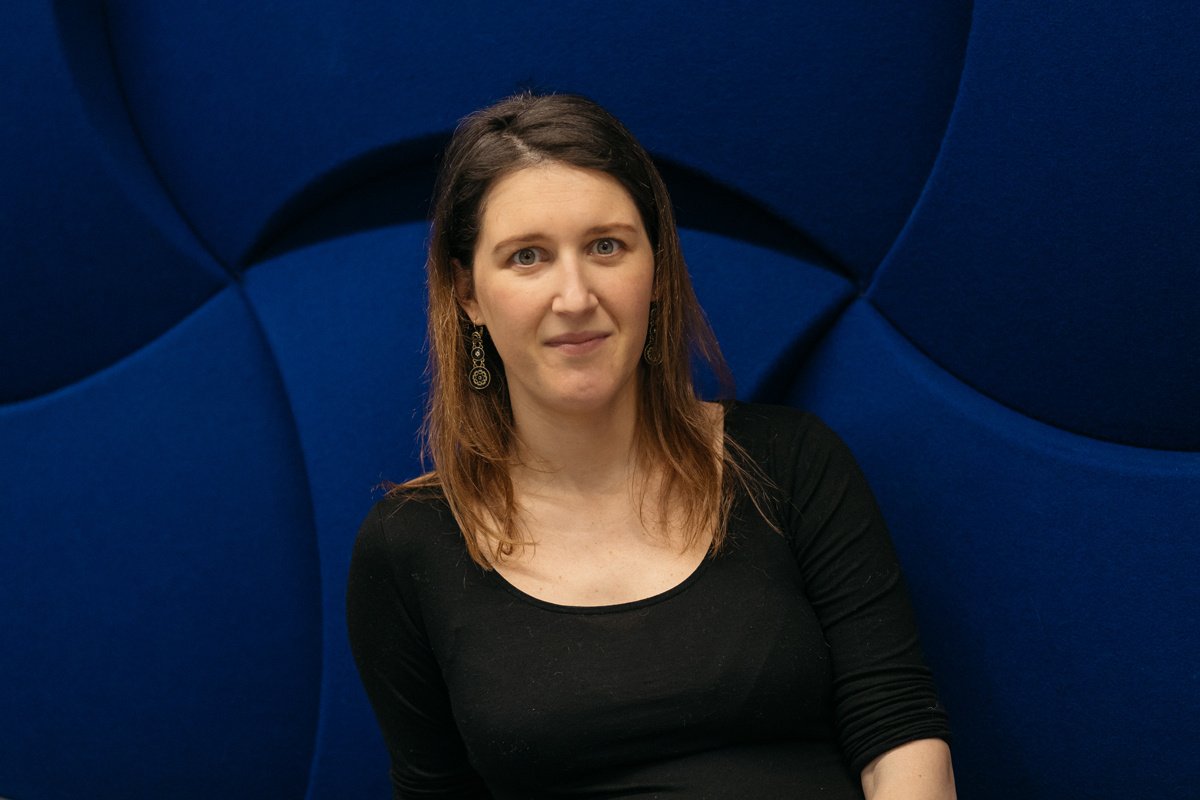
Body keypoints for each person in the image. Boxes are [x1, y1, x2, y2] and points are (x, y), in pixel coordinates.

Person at [346, 91, 955, 799]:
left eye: (606, 246)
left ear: (657, 270)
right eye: (527, 257)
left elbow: (899, 732)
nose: (575, 296)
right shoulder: (408, 544)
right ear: (467, 293)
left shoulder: (790, 463)